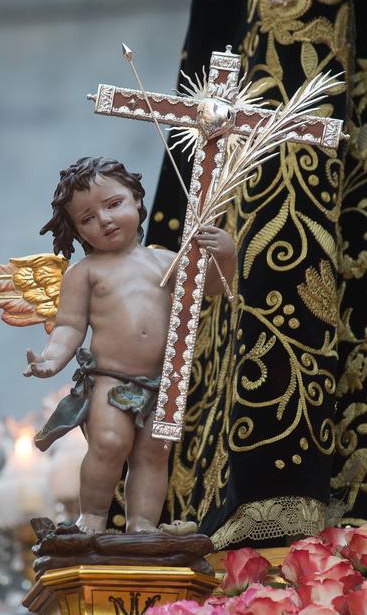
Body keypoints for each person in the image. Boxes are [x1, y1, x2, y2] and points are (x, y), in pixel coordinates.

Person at [24, 156, 235, 534]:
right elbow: (70, 326)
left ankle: (142, 526)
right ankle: (91, 518)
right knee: (107, 443)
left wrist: (226, 254)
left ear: (137, 199)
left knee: (154, 454)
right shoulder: (85, 272)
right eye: (87, 218)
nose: (104, 220)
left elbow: (213, 290)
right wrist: (51, 360)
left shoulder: (166, 261)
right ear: (76, 231)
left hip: (162, 382)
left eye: (113, 204)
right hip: (110, 379)